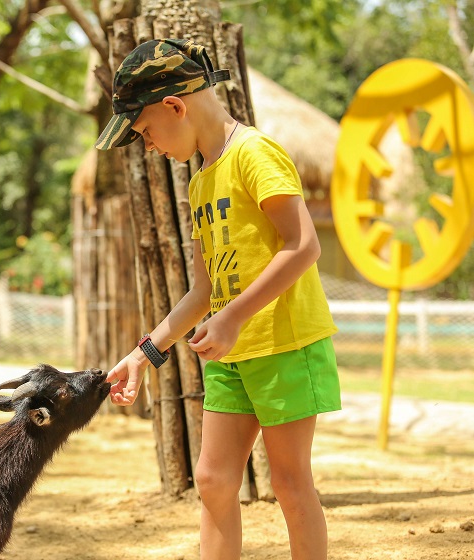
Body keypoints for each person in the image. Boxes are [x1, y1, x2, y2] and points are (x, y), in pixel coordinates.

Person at [96, 39, 341, 560]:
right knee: (211, 479)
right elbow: (205, 290)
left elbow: (304, 245)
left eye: (144, 132)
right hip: (233, 352)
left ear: (175, 106)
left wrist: (232, 317)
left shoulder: (255, 154)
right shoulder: (202, 179)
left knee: (291, 486)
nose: (148, 146)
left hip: (285, 344)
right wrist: (144, 354)